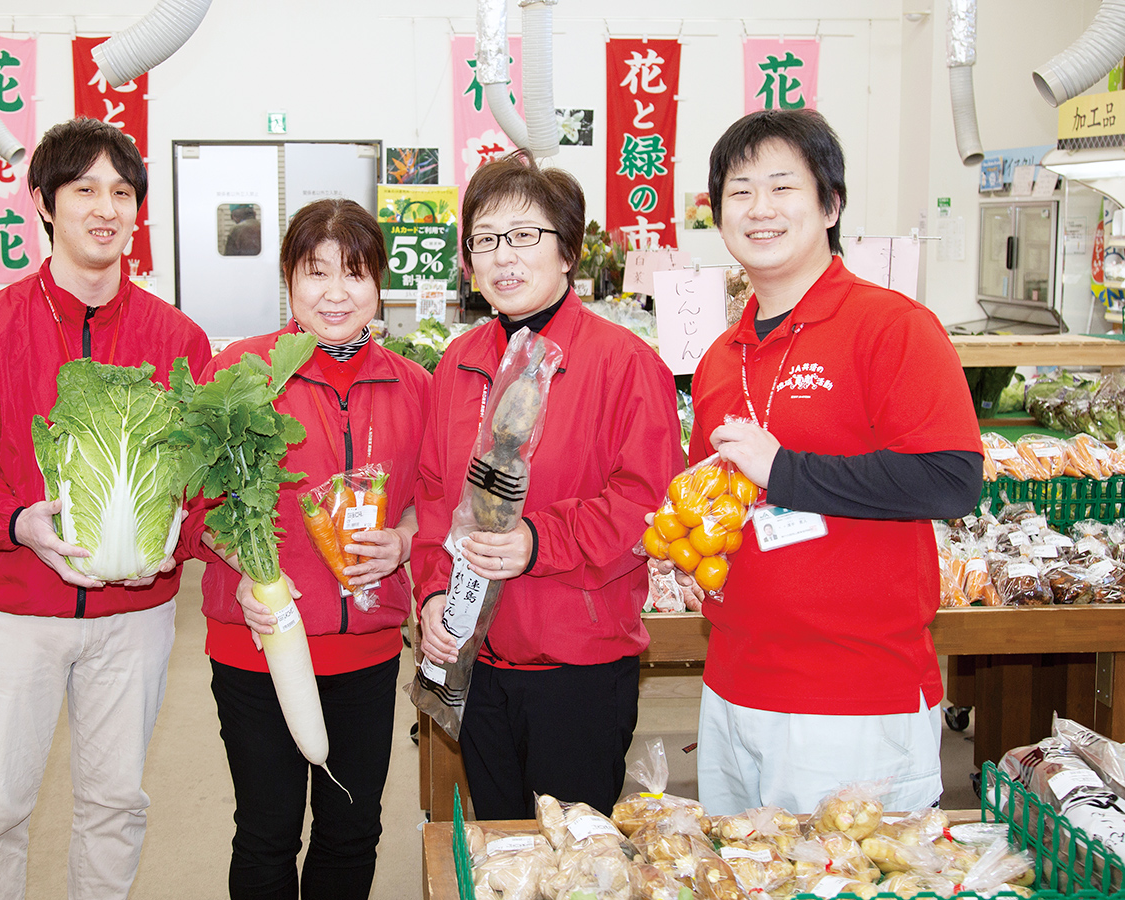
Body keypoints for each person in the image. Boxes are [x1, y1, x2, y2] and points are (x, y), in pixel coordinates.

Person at [0, 118, 212, 900]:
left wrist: (179, 537)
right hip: (14, 606)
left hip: (134, 616)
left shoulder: (176, 336)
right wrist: (16, 522)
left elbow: (201, 474)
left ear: (138, 210)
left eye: (121, 192)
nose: (104, 208)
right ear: (45, 203)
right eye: (84, 190)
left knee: (115, 806)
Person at [685, 109, 982, 815]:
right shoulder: (719, 360)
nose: (760, 208)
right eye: (739, 190)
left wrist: (785, 470)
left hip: (850, 695)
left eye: (783, 187)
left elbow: (951, 478)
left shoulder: (892, 327)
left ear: (831, 204)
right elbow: (721, 498)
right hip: (731, 682)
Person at [413, 151, 681, 820]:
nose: (502, 257)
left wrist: (539, 540)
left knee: (575, 865)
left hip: (578, 667)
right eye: (484, 240)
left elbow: (646, 503)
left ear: (568, 250)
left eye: (524, 235)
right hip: (475, 662)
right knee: (504, 847)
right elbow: (431, 499)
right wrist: (431, 595)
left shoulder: (624, 364)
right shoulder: (458, 363)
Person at [181, 198, 430, 900]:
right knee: (267, 831)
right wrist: (234, 569)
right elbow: (189, 503)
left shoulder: (414, 386)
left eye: (354, 272)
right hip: (257, 648)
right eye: (315, 272)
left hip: (368, 652)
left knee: (353, 831)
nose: (335, 292)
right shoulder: (243, 372)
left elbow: (435, 501)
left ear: (378, 284)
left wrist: (405, 539)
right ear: (289, 280)